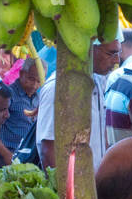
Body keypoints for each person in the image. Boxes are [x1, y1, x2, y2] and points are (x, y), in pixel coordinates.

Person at [38, 40, 121, 169]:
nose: (117, 60)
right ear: (89, 49)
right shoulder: (57, 88)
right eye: (111, 53)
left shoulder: (97, 81)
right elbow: (48, 149)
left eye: (118, 53)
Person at [1, 57, 42, 155]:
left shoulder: (38, 97)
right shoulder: (8, 94)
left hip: (26, 154)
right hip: (8, 153)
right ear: (21, 74)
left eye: (39, 81)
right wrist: (5, 154)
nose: (34, 85)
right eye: (31, 79)